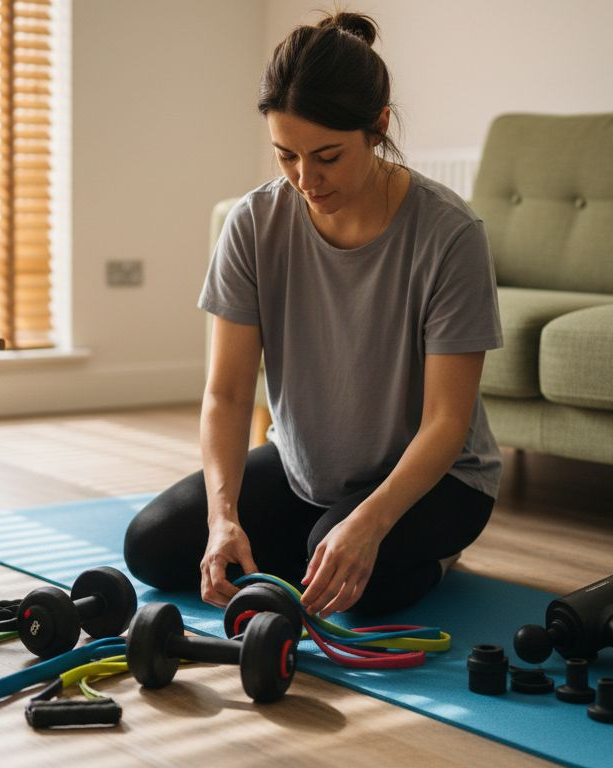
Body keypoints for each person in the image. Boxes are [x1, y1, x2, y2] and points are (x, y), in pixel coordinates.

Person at [123, 11, 503, 619]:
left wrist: (370, 525)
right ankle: (316, 537)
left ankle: (434, 554)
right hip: (308, 470)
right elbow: (225, 394)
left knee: (351, 587)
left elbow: (446, 421)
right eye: (286, 156)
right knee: (152, 548)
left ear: (377, 126)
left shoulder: (450, 234)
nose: (306, 179)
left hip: (439, 480)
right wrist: (224, 520)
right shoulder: (253, 223)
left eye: (327, 155)